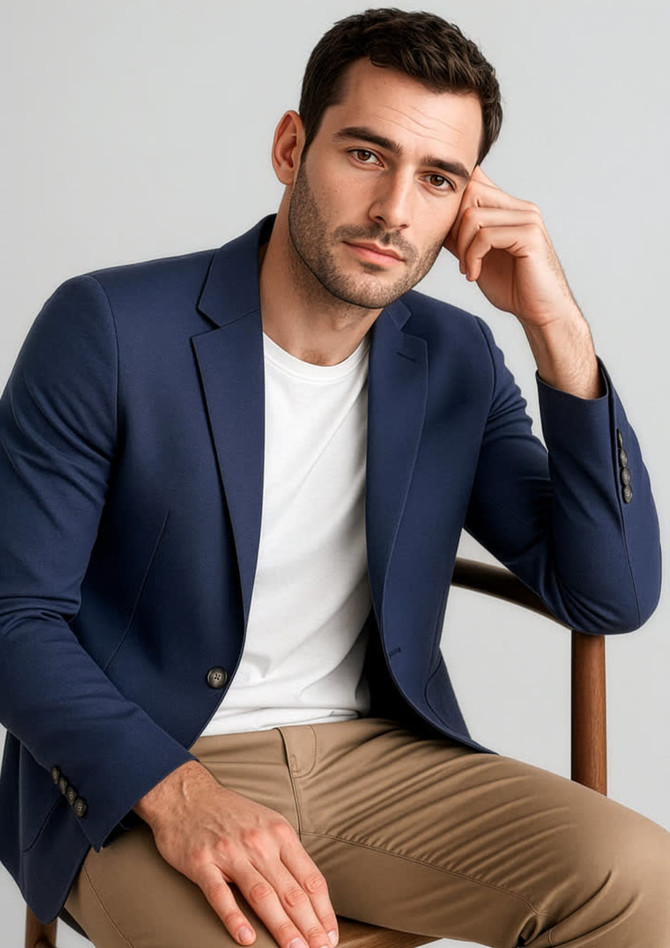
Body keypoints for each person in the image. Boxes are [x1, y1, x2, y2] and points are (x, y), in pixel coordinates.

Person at [0, 7, 668, 947]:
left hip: (380, 761)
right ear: (290, 146)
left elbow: (612, 595)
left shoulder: (456, 356)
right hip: (146, 770)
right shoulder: (110, 328)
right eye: (366, 154)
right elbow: (12, 616)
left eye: (437, 179)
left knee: (646, 883)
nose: (396, 208)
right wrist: (182, 796)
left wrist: (560, 333)